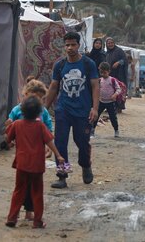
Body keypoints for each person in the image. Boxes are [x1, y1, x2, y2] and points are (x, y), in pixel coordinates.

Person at [45, 32, 99, 189]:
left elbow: (96, 86)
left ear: (79, 45)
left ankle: (85, 164)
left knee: (81, 141)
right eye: (67, 45)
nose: (70, 48)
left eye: (73, 44)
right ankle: (62, 175)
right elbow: (54, 87)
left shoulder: (89, 64)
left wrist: (95, 109)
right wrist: (44, 109)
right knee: (60, 143)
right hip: (63, 109)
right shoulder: (60, 65)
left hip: (83, 111)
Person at [5, 95, 65, 229]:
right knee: (37, 193)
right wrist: (58, 155)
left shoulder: (17, 124)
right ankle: (37, 221)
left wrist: (10, 141)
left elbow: (7, 139)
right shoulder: (40, 126)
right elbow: (50, 142)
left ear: (22, 111)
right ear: (39, 112)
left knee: (18, 191)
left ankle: (12, 218)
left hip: (21, 164)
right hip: (37, 166)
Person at [4, 79, 53, 221]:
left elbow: (48, 130)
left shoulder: (43, 112)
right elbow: (10, 127)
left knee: (32, 185)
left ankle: (28, 211)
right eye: (34, 97)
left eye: (40, 98)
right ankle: (17, 211)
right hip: (23, 154)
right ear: (25, 94)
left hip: (37, 155)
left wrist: (49, 149)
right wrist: (9, 137)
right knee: (22, 185)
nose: (36, 101)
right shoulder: (17, 110)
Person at [91, 62, 121, 138]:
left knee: (113, 117)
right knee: (96, 116)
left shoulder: (112, 80)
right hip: (101, 101)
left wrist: (115, 95)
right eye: (101, 72)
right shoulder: (99, 80)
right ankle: (92, 130)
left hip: (110, 102)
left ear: (109, 71)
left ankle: (116, 130)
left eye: (104, 72)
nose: (103, 74)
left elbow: (119, 89)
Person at [105, 37, 128, 110]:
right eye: (108, 43)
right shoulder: (107, 53)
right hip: (110, 75)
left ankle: (119, 107)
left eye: (111, 43)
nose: (110, 44)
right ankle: (110, 107)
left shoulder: (119, 51)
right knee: (110, 90)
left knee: (119, 89)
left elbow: (125, 60)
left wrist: (118, 62)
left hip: (119, 75)